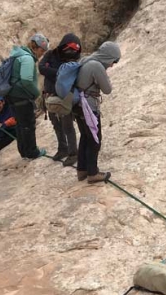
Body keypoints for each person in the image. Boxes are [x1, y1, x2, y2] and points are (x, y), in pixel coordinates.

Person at [74, 41, 121, 183]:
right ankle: (92, 173)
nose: (113, 64)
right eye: (114, 61)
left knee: (85, 137)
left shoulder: (86, 59)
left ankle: (82, 170)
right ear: (108, 57)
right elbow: (107, 89)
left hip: (77, 105)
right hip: (88, 107)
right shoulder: (96, 66)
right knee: (95, 139)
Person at [39, 33, 82, 166]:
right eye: (69, 49)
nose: (71, 52)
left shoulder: (73, 59)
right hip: (50, 94)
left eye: (74, 50)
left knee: (67, 124)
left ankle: (73, 153)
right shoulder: (51, 54)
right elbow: (41, 68)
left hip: (64, 96)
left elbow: (70, 75)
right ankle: (62, 148)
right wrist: (60, 73)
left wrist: (54, 72)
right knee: (56, 124)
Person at [6, 33, 49, 160]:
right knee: (28, 124)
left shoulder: (18, 54)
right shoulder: (27, 58)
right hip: (21, 96)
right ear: (37, 48)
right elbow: (26, 80)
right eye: (42, 50)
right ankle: (32, 152)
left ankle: (24, 151)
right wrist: (35, 93)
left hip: (12, 95)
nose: (42, 54)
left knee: (20, 124)